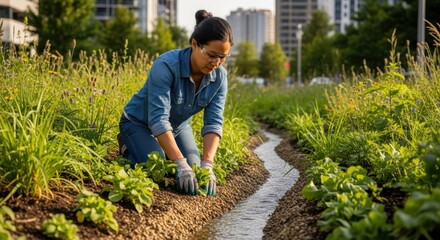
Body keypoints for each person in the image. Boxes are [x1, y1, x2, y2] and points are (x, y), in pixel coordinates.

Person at [118, 10, 233, 197]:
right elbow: (158, 119)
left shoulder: (220, 77)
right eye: (212, 54)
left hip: (177, 127)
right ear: (195, 44)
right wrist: (179, 162)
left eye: (223, 57)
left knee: (196, 171)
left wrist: (208, 164)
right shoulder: (166, 66)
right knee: (158, 167)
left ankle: (171, 154)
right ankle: (127, 146)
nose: (216, 62)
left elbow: (213, 122)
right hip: (139, 123)